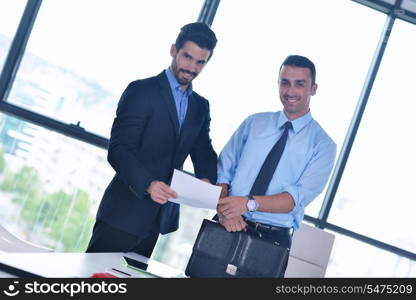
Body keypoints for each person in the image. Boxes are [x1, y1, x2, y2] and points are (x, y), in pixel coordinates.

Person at [86, 22, 218, 258]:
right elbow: (118, 149)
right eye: (187, 57)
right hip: (122, 213)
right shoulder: (141, 91)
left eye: (200, 62)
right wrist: (148, 184)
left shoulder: (200, 106)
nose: (192, 67)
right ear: (173, 50)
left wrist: (208, 179)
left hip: (157, 218)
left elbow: (203, 150)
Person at [216, 55, 336, 277]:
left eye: (300, 84)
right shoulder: (254, 123)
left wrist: (247, 204)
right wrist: (223, 210)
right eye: (285, 82)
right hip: (226, 225)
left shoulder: (323, 146)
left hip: (271, 241)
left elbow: (294, 199)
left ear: (314, 88)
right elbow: (223, 172)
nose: (290, 91)